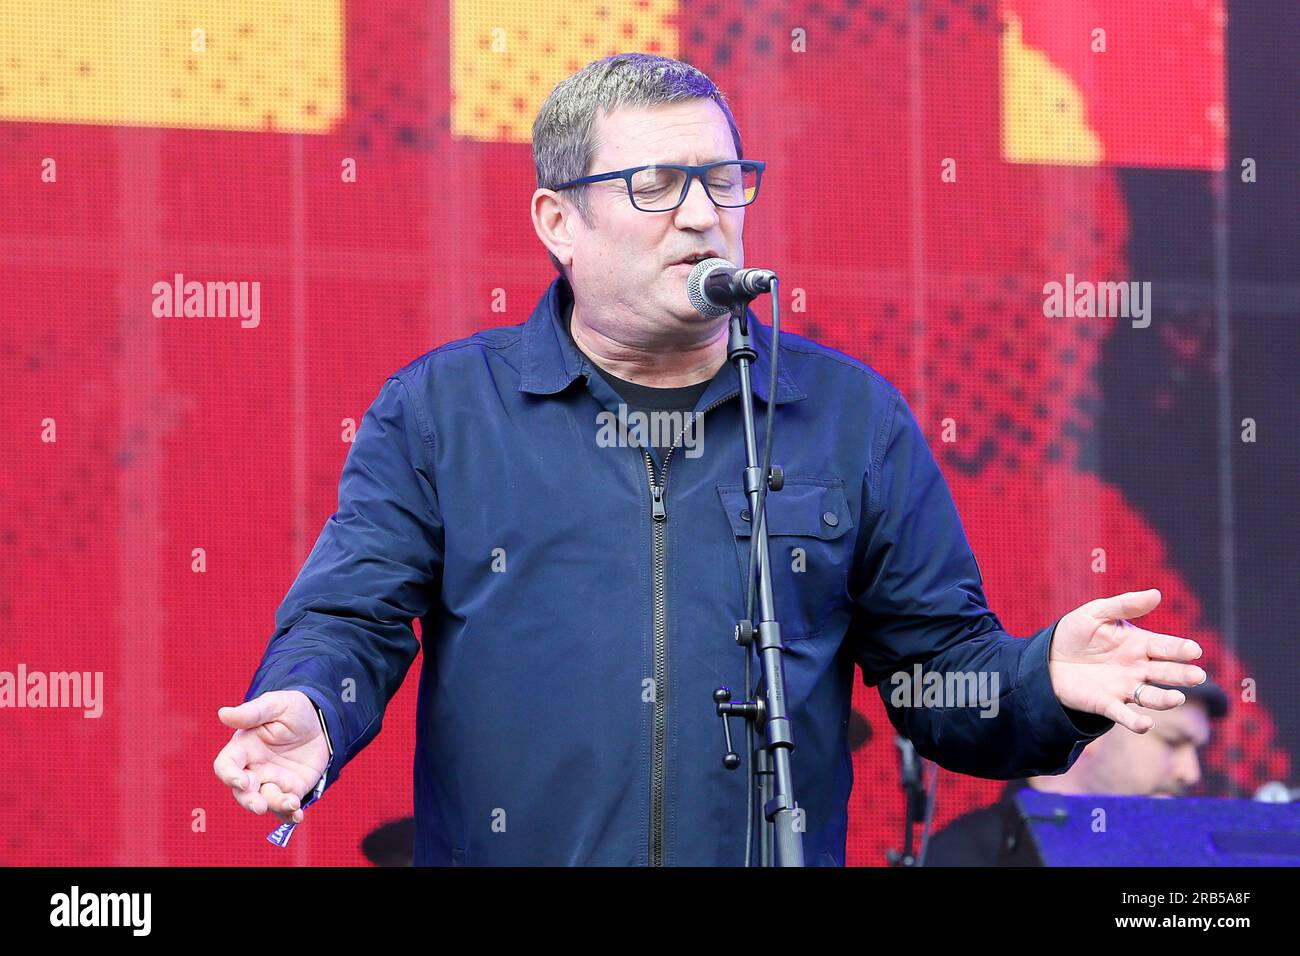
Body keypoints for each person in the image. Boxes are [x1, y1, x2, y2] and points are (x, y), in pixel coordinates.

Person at [212, 52, 1208, 866]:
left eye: (723, 181)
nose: (701, 214)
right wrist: (311, 704)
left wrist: (1041, 680)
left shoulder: (846, 416)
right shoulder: (441, 412)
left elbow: (936, 674)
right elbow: (353, 614)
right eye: (655, 185)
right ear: (557, 222)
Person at [924, 679, 1229, 866]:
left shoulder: (1182, 853)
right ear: (1093, 729)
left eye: (1197, 750)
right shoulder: (966, 853)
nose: (1191, 773)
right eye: (1173, 742)